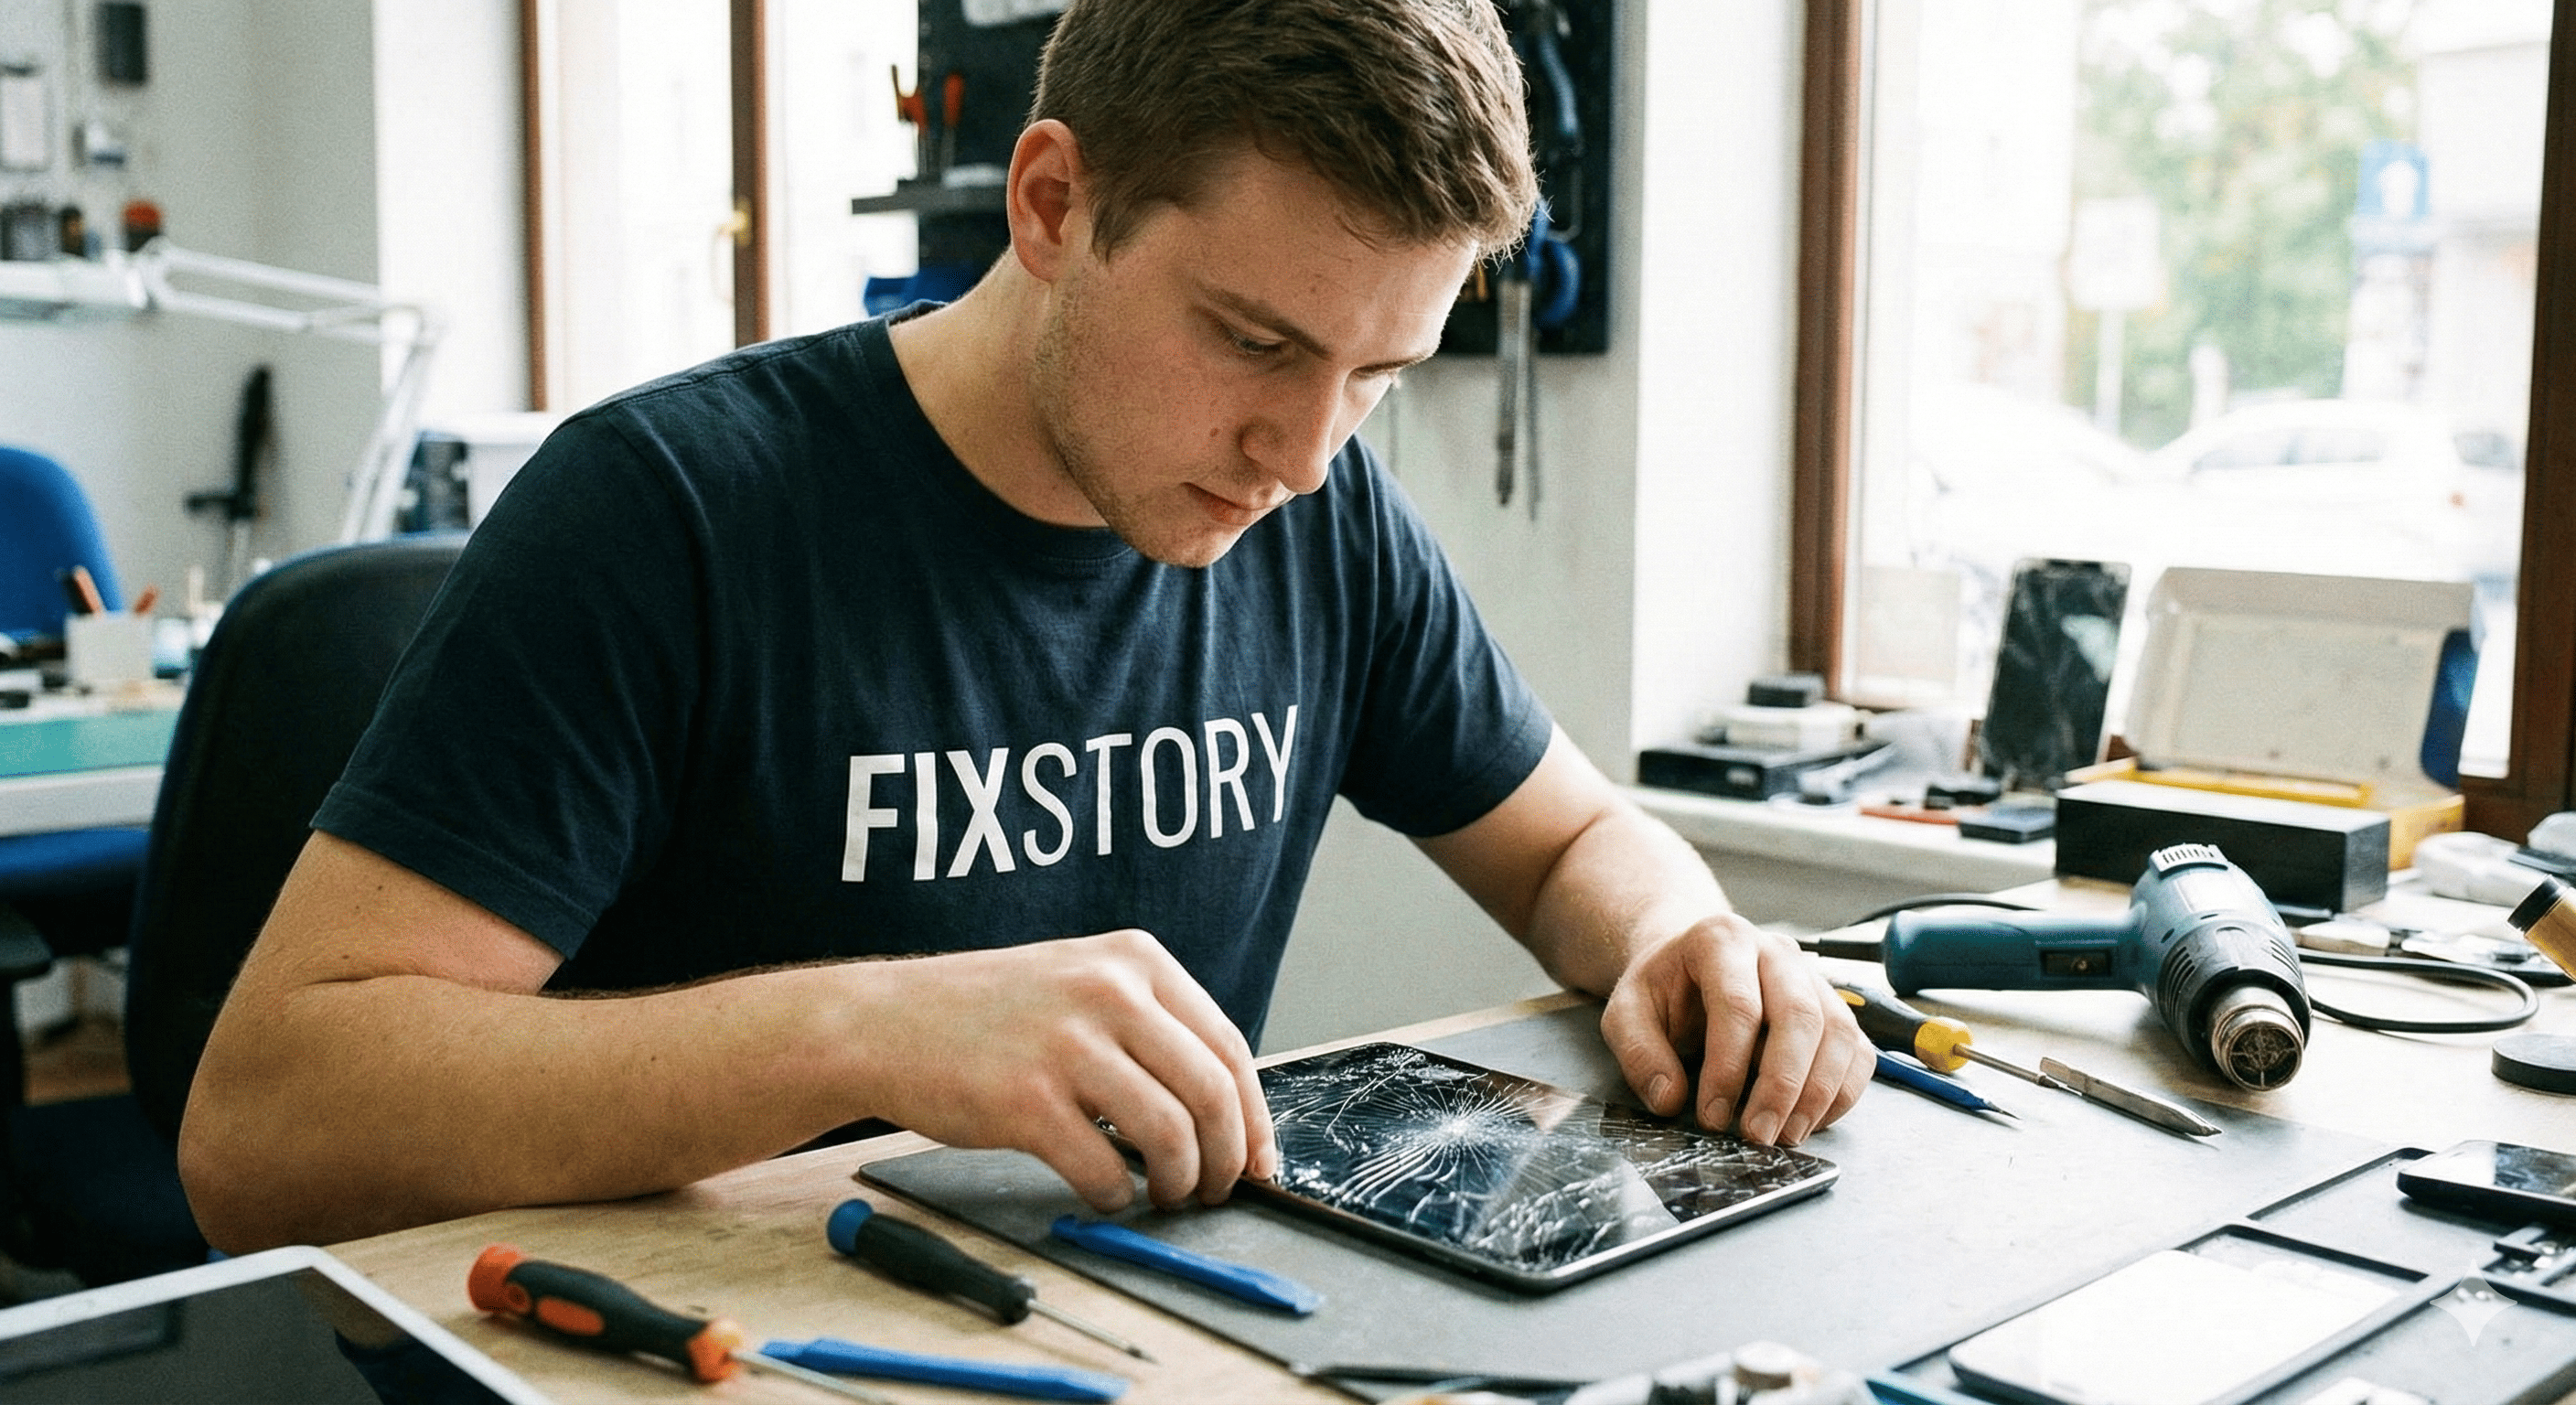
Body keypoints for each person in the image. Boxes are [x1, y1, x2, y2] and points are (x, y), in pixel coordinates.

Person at [181, 0, 1873, 1253]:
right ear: (1054, 203)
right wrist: (868, 1031)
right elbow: (266, 1131)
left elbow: (1568, 837)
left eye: (1379, 373)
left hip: (1109, 1330)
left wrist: (1683, 939)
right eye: (1254, 341)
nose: (1303, 452)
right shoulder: (666, 511)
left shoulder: (1325, 520)